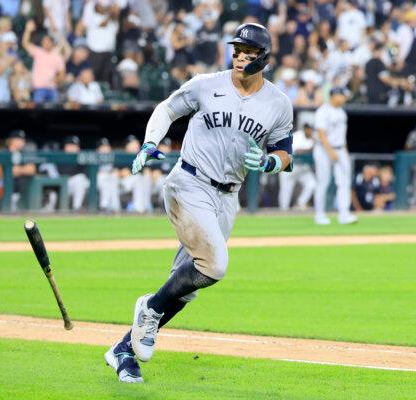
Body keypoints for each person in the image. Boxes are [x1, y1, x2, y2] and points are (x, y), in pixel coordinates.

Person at [104, 23, 293, 383]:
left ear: (263, 59)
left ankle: (123, 350)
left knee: (187, 285)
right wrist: (149, 143)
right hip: (188, 182)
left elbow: (285, 151)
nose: (240, 57)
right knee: (215, 265)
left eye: (249, 52)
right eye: (237, 50)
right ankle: (151, 308)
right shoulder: (206, 84)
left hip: (227, 198)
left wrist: (272, 162)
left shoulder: (278, 103)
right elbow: (167, 109)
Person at [313, 87, 357, 225]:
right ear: (334, 96)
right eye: (342, 95)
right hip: (323, 149)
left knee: (344, 182)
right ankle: (319, 215)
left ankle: (344, 214)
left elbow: (342, 137)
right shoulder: (323, 110)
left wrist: (344, 152)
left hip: (340, 149)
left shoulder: (341, 112)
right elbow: (321, 133)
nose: (344, 98)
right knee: (323, 182)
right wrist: (330, 151)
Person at [278, 122, 316, 211]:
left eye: (311, 129)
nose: (310, 131)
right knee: (286, 190)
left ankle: (300, 203)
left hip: (302, 168)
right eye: (309, 129)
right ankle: (282, 212)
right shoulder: (298, 136)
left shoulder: (313, 138)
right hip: (289, 166)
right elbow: (296, 151)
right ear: (305, 129)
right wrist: (310, 149)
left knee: (312, 184)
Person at [57, 135, 90, 211]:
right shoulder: (59, 157)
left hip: (78, 185)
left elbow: (87, 174)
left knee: (80, 178)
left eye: (76, 146)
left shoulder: (83, 159)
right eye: (71, 145)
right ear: (66, 146)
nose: (74, 148)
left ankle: (76, 208)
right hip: (61, 185)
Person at [7, 129, 36, 212]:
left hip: (20, 187)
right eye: (19, 139)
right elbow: (6, 173)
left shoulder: (25, 153)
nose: (22, 142)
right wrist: (22, 170)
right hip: (5, 185)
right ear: (12, 140)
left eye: (23, 140)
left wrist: (17, 170)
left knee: (25, 180)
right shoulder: (5, 152)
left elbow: (31, 169)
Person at [96, 137, 121, 213]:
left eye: (107, 147)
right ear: (98, 150)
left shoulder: (115, 158)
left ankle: (115, 207)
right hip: (98, 182)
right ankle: (104, 206)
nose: (105, 149)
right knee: (104, 177)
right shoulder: (94, 158)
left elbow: (120, 171)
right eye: (103, 147)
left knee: (112, 178)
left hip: (113, 182)